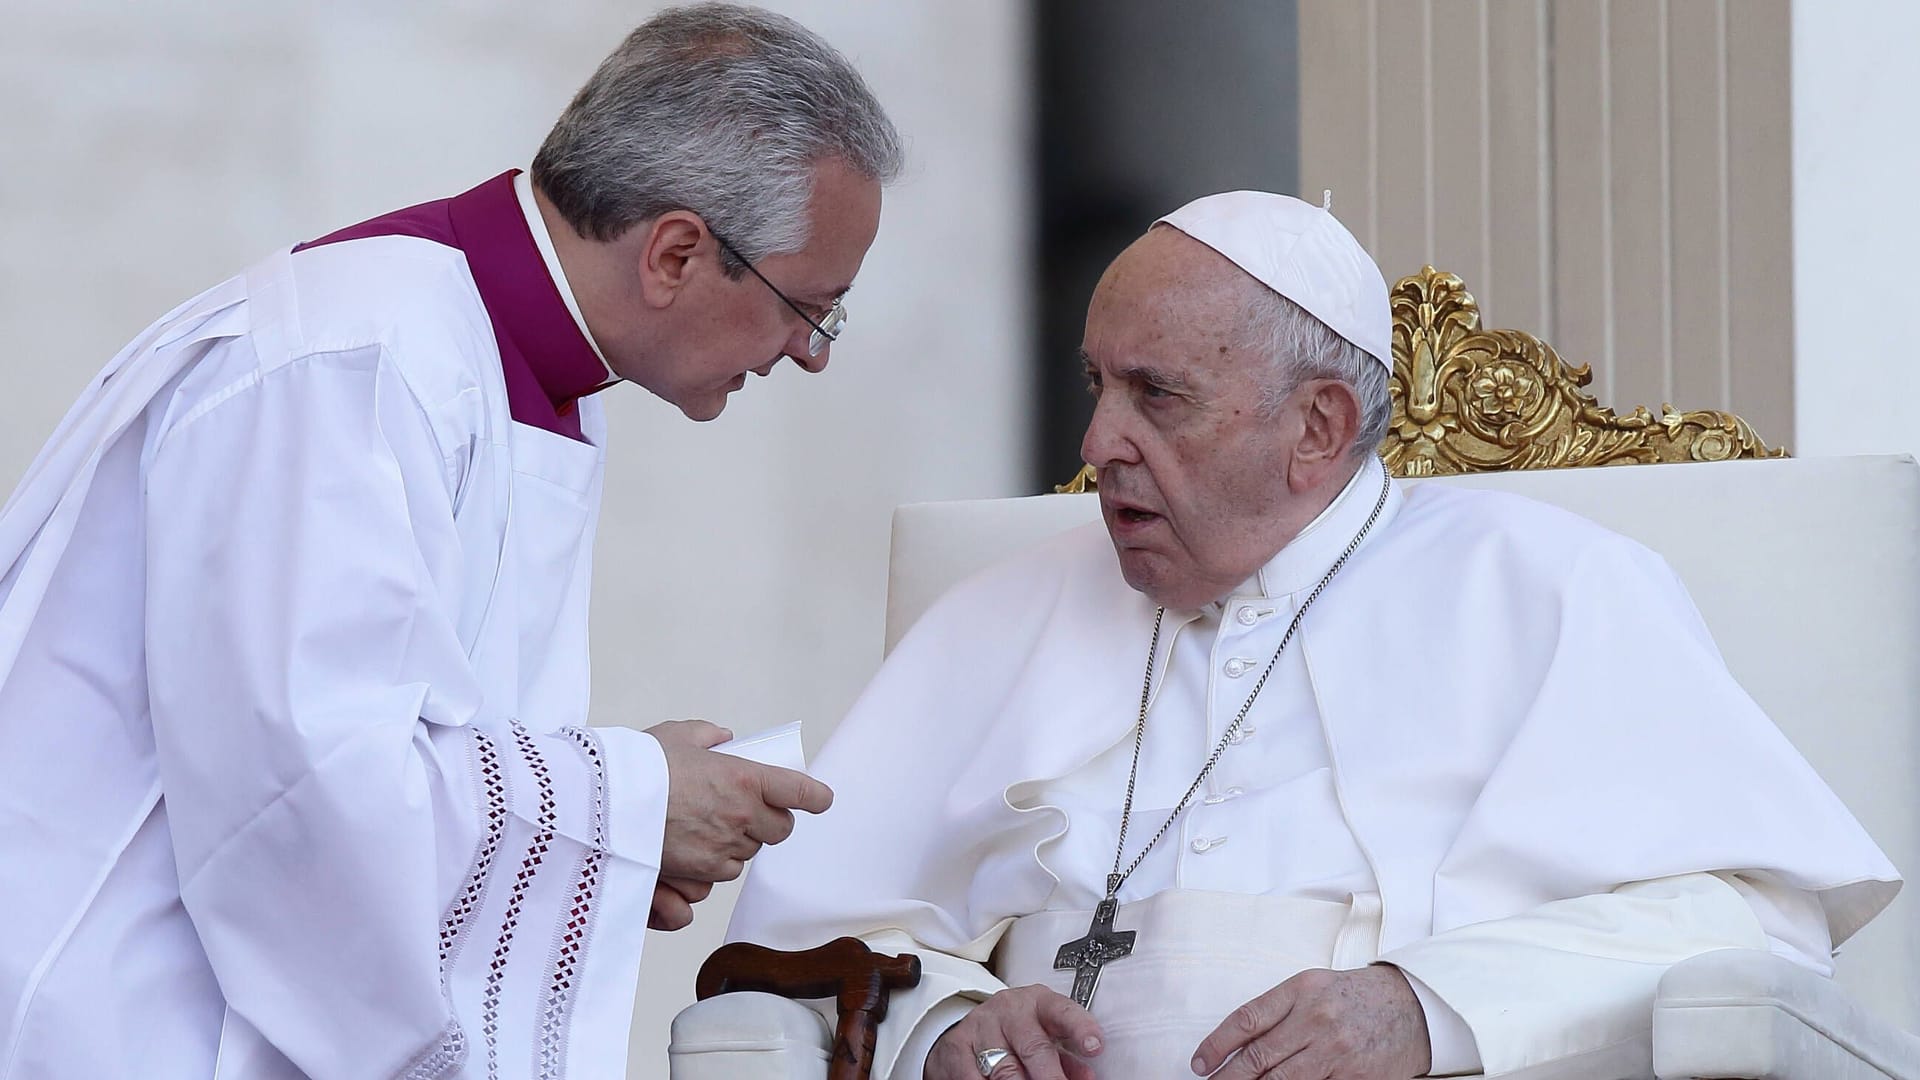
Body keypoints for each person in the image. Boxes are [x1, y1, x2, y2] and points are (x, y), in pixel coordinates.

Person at [723, 192, 1900, 1080]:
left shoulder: (1541, 586)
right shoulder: (997, 614)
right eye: (1095, 384)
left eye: (1156, 393)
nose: (1098, 441)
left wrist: (1422, 1007)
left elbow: (1760, 916)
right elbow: (811, 933)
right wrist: (945, 1025)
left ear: (1318, 427)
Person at [0, 4, 900, 1078]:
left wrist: (604, 850)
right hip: (127, 1025)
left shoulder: (509, 364)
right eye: (813, 307)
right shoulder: (352, 362)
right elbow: (304, 804)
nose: (812, 353)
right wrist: (629, 803)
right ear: (675, 252)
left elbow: (395, 743)